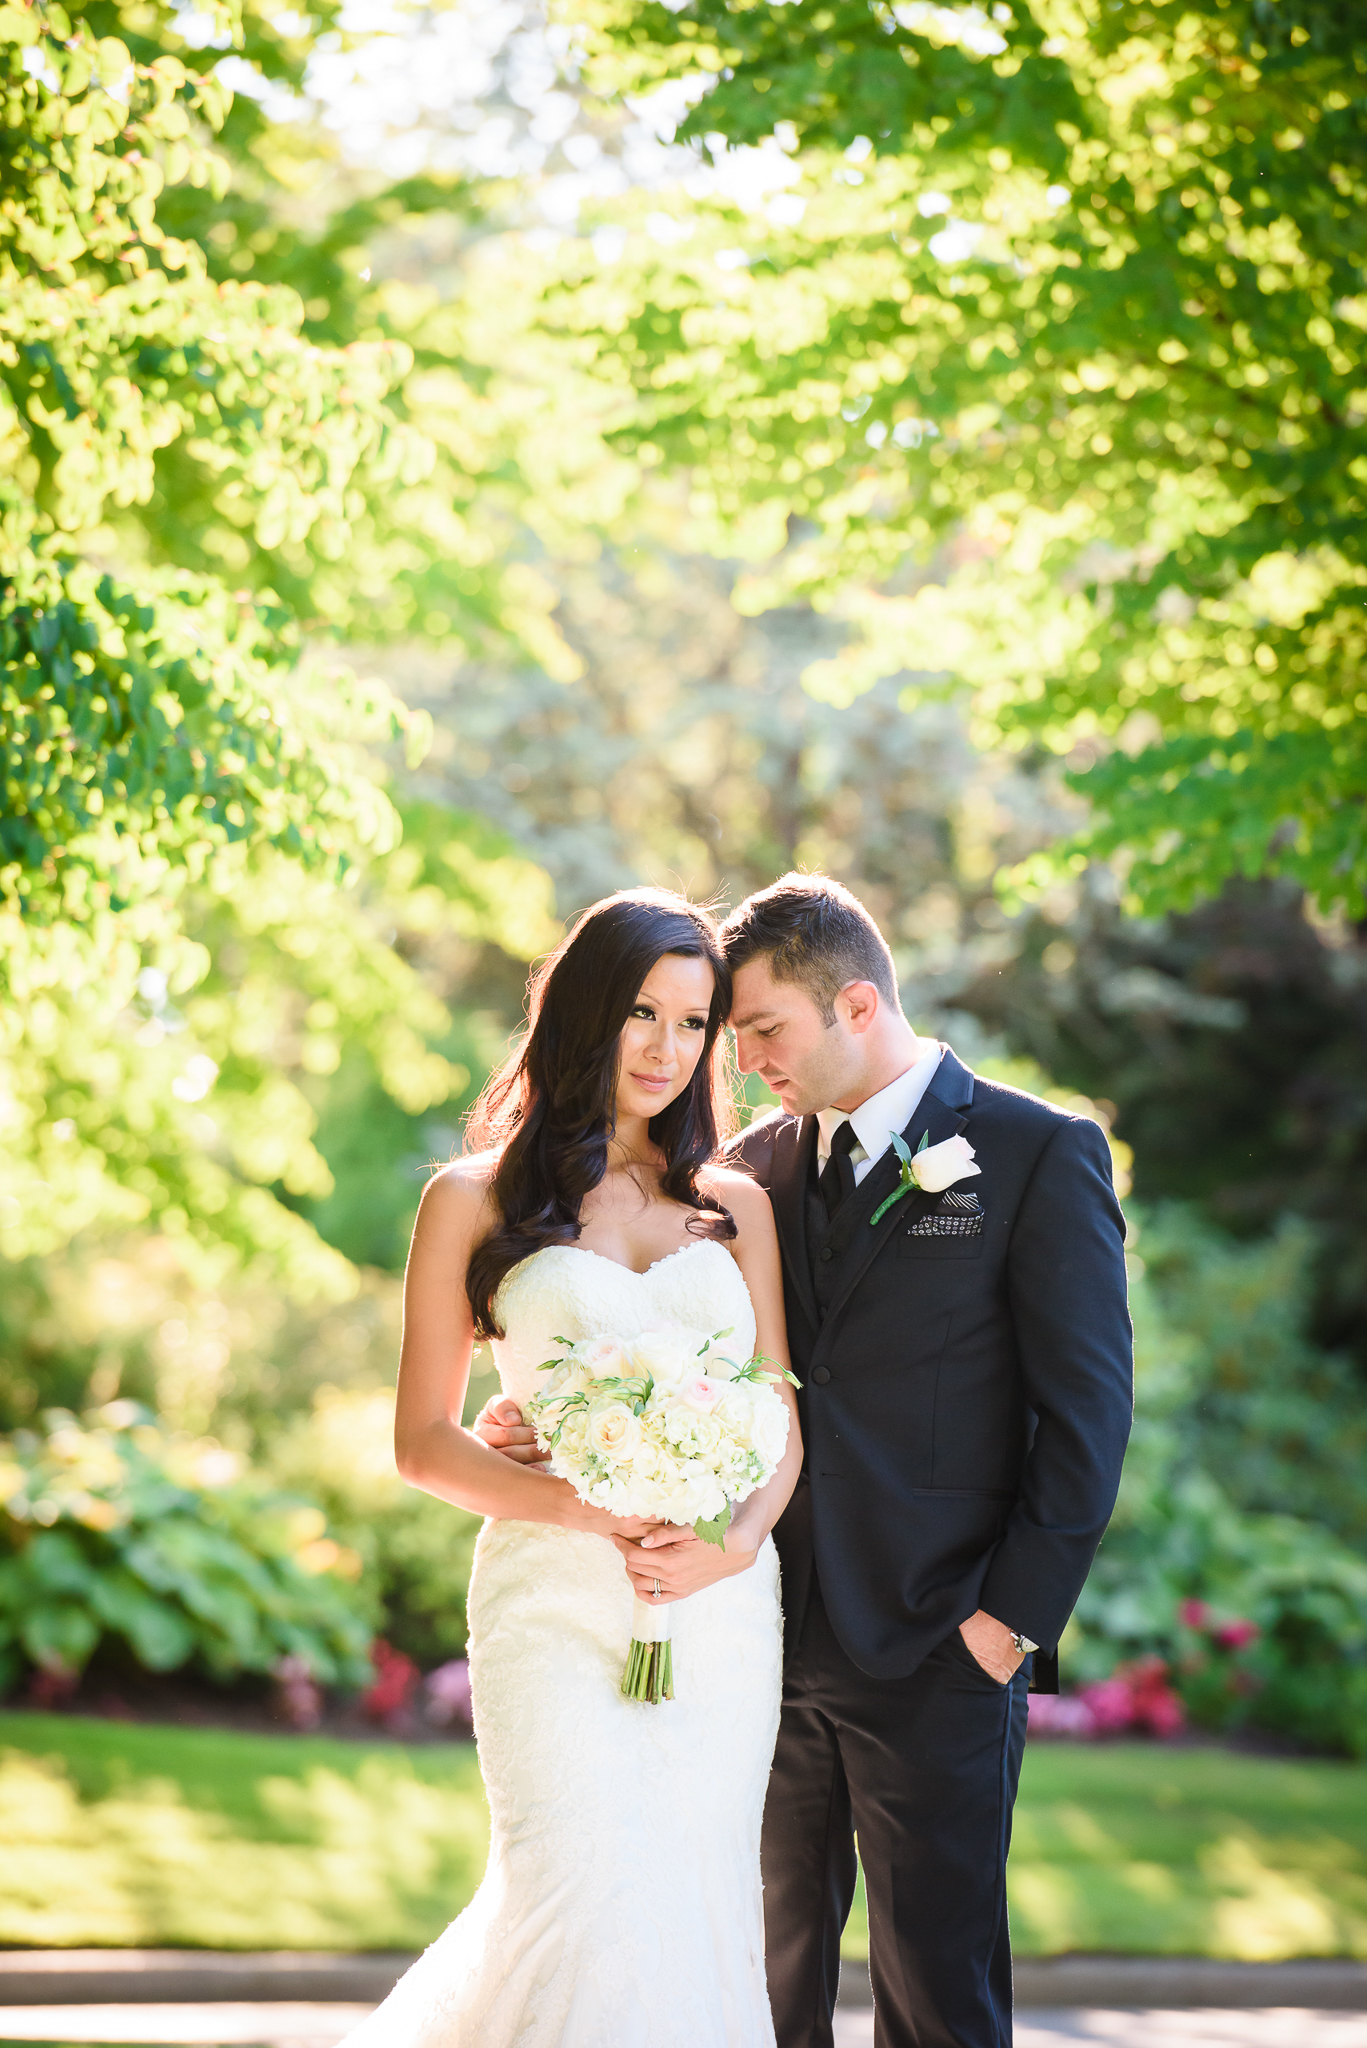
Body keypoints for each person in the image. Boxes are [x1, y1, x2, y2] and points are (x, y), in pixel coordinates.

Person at [482, 872, 1133, 2048]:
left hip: (941, 1640)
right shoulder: (743, 1172)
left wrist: (1004, 1626)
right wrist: (549, 1416)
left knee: (936, 1991)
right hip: (754, 1639)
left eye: (762, 1029)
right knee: (759, 1978)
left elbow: (1085, 1414)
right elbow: (692, 1358)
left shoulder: (1034, 1152)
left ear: (857, 1005)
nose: (740, 1059)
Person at [343, 886, 801, 2048]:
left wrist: (731, 1543)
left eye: (692, 1022)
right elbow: (422, 1439)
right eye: (641, 1011)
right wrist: (581, 1506)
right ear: (582, 1010)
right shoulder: (471, 1197)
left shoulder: (736, 1206)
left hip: (718, 1609)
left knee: (695, 1908)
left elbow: (778, 1417)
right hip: (549, 1600)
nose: (665, 1047)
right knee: (574, 1892)